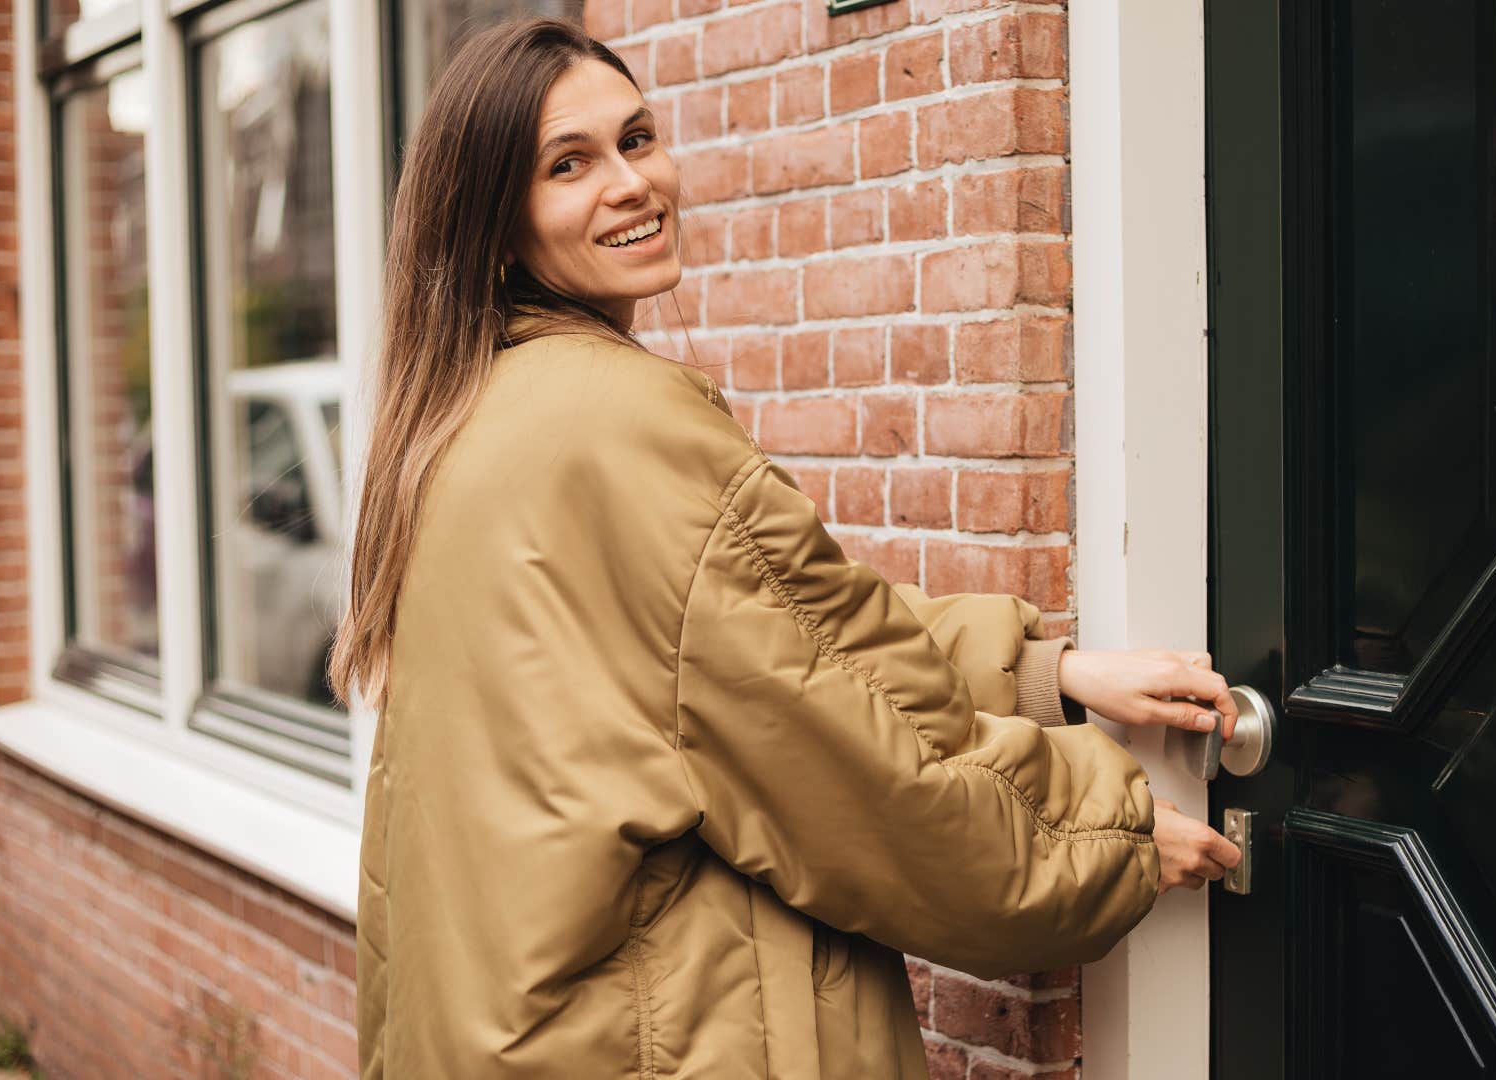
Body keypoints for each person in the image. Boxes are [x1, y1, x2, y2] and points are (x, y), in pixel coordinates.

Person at [329, 16, 1242, 1079]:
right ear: (493, 224)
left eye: (638, 139)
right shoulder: (616, 426)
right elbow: (858, 763)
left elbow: (757, 645)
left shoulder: (463, 417)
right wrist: (1113, 832)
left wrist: (1046, 674)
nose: (631, 182)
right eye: (568, 166)